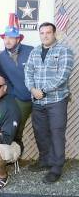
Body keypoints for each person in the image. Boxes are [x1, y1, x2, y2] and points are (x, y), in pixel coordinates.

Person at [24, 22, 74, 183]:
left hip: (56, 100)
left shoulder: (65, 51)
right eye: (42, 33)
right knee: (41, 133)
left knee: (57, 133)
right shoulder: (35, 51)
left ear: (54, 34)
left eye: (48, 33)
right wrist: (32, 89)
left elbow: (62, 76)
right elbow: (28, 72)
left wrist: (42, 91)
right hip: (37, 101)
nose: (45, 35)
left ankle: (56, 167)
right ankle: (45, 160)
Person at [0, 13, 33, 154]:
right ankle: (15, 156)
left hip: (41, 97)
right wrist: (14, 93)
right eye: (6, 37)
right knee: (17, 128)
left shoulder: (31, 51)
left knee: (43, 129)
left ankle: (46, 161)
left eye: (11, 37)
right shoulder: (1, 58)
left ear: (18, 39)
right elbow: (3, 78)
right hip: (21, 99)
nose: (8, 40)